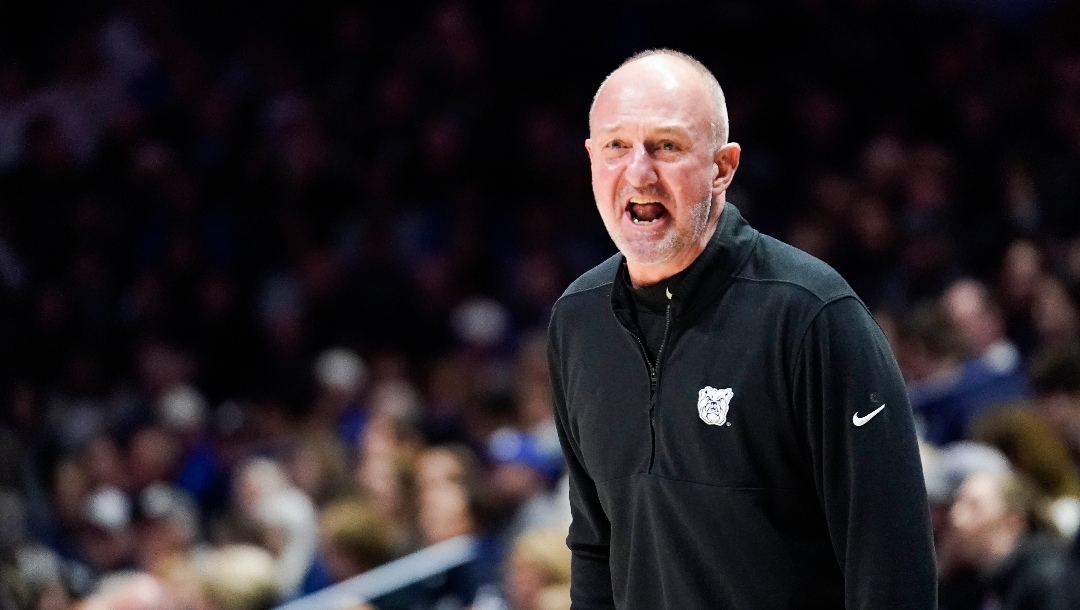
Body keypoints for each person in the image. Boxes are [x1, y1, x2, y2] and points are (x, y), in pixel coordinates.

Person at [547, 49, 936, 608]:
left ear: (722, 168)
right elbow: (594, 546)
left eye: (667, 146)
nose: (638, 172)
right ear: (590, 159)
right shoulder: (576, 321)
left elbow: (891, 564)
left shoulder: (811, 315)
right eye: (616, 146)